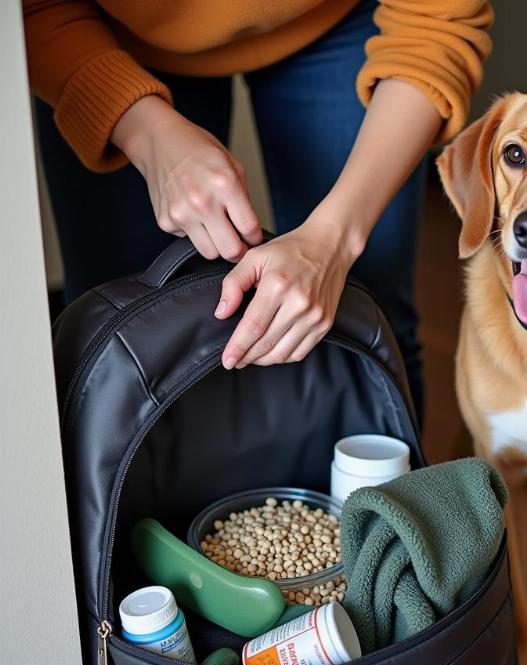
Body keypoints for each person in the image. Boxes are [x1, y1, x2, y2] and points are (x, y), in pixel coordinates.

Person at [24, 0, 493, 418]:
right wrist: (145, 133)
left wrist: (335, 237)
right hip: (105, 33)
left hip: (337, 20)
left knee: (371, 311)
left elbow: (438, 18)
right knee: (105, 342)